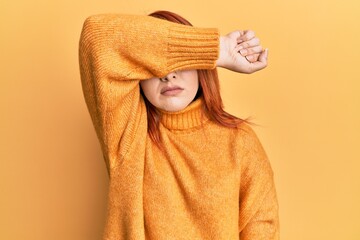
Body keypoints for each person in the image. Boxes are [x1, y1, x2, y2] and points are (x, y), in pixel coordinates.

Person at [79, 10, 279, 240]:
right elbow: (96, 37)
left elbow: (262, 229)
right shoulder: (128, 132)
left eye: (182, 62)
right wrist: (220, 50)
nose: (168, 75)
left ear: (200, 66)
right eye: (153, 68)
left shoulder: (240, 141)